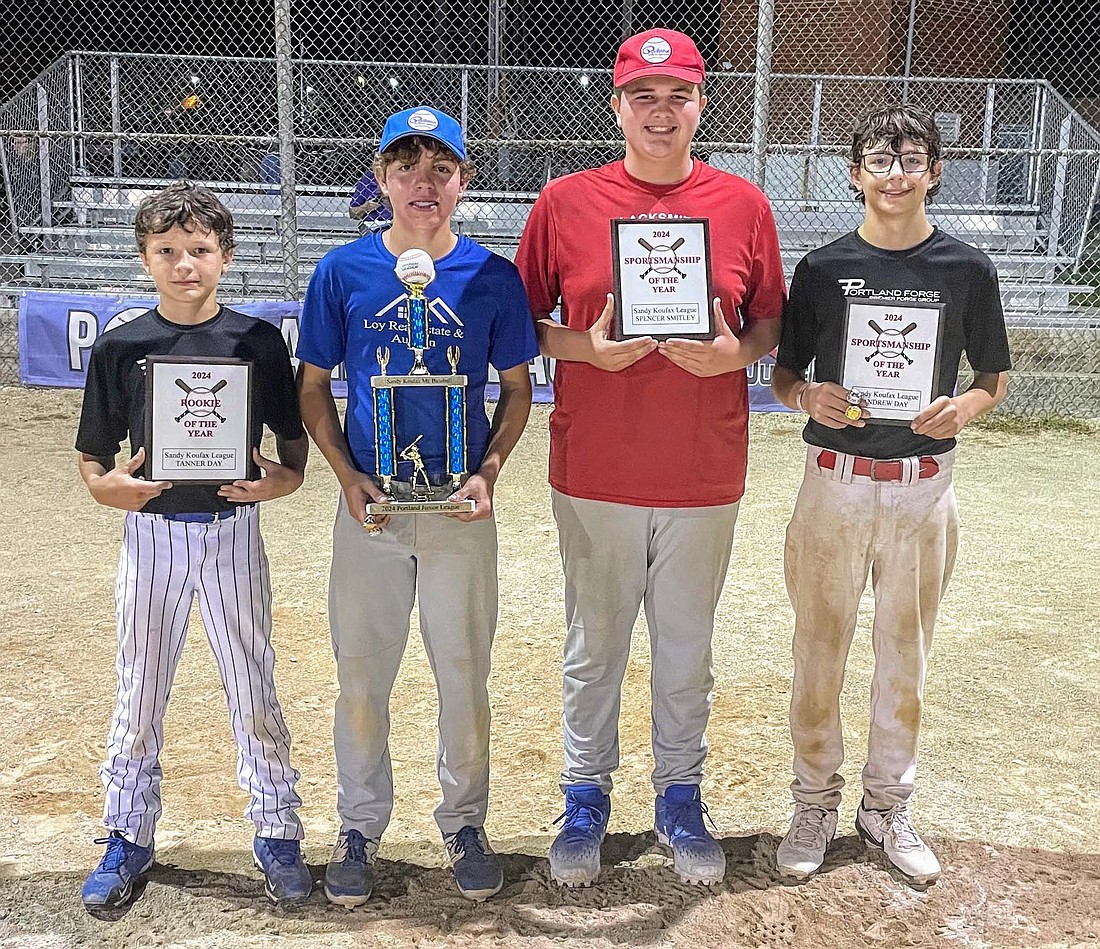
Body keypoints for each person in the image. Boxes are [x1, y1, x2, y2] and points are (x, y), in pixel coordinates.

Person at [514, 29, 786, 887]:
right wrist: (586, 350)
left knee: (685, 646)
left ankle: (679, 795)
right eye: (644, 97)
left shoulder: (744, 203)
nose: (661, 114)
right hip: (596, 466)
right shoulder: (565, 200)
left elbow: (771, 324)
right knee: (594, 647)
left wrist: (736, 356)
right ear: (617, 106)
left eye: (678, 97)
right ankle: (586, 796)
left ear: (702, 103)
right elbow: (519, 325)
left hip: (703, 470)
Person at [296, 106, 539, 907]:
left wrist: (490, 470)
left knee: (463, 671)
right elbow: (313, 388)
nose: (423, 183)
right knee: (361, 674)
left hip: (459, 512)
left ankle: (464, 820)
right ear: (382, 178)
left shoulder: (492, 277)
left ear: (463, 181)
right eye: (406, 167)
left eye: (441, 168)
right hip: (372, 508)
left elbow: (513, 389)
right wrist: (346, 476)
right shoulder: (342, 272)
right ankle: (360, 824)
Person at [771, 104, 1011, 886]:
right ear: (854, 172)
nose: (897, 172)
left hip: (920, 485)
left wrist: (961, 409)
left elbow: (993, 379)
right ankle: (814, 800)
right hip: (836, 483)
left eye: (912, 159)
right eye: (880, 158)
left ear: (935, 172)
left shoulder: (966, 269)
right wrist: (809, 399)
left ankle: (887, 806)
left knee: (905, 653)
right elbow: (784, 376)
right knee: (820, 645)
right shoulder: (822, 268)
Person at [74, 181, 313, 908]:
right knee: (140, 687)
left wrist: (283, 481)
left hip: (230, 531)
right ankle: (127, 832)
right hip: (151, 533)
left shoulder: (257, 340)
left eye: (200, 250)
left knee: (252, 686)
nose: (185, 264)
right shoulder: (123, 344)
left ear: (226, 256)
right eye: (168, 251)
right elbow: (93, 453)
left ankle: (277, 831)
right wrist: (102, 486)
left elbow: (292, 444)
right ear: (145, 258)